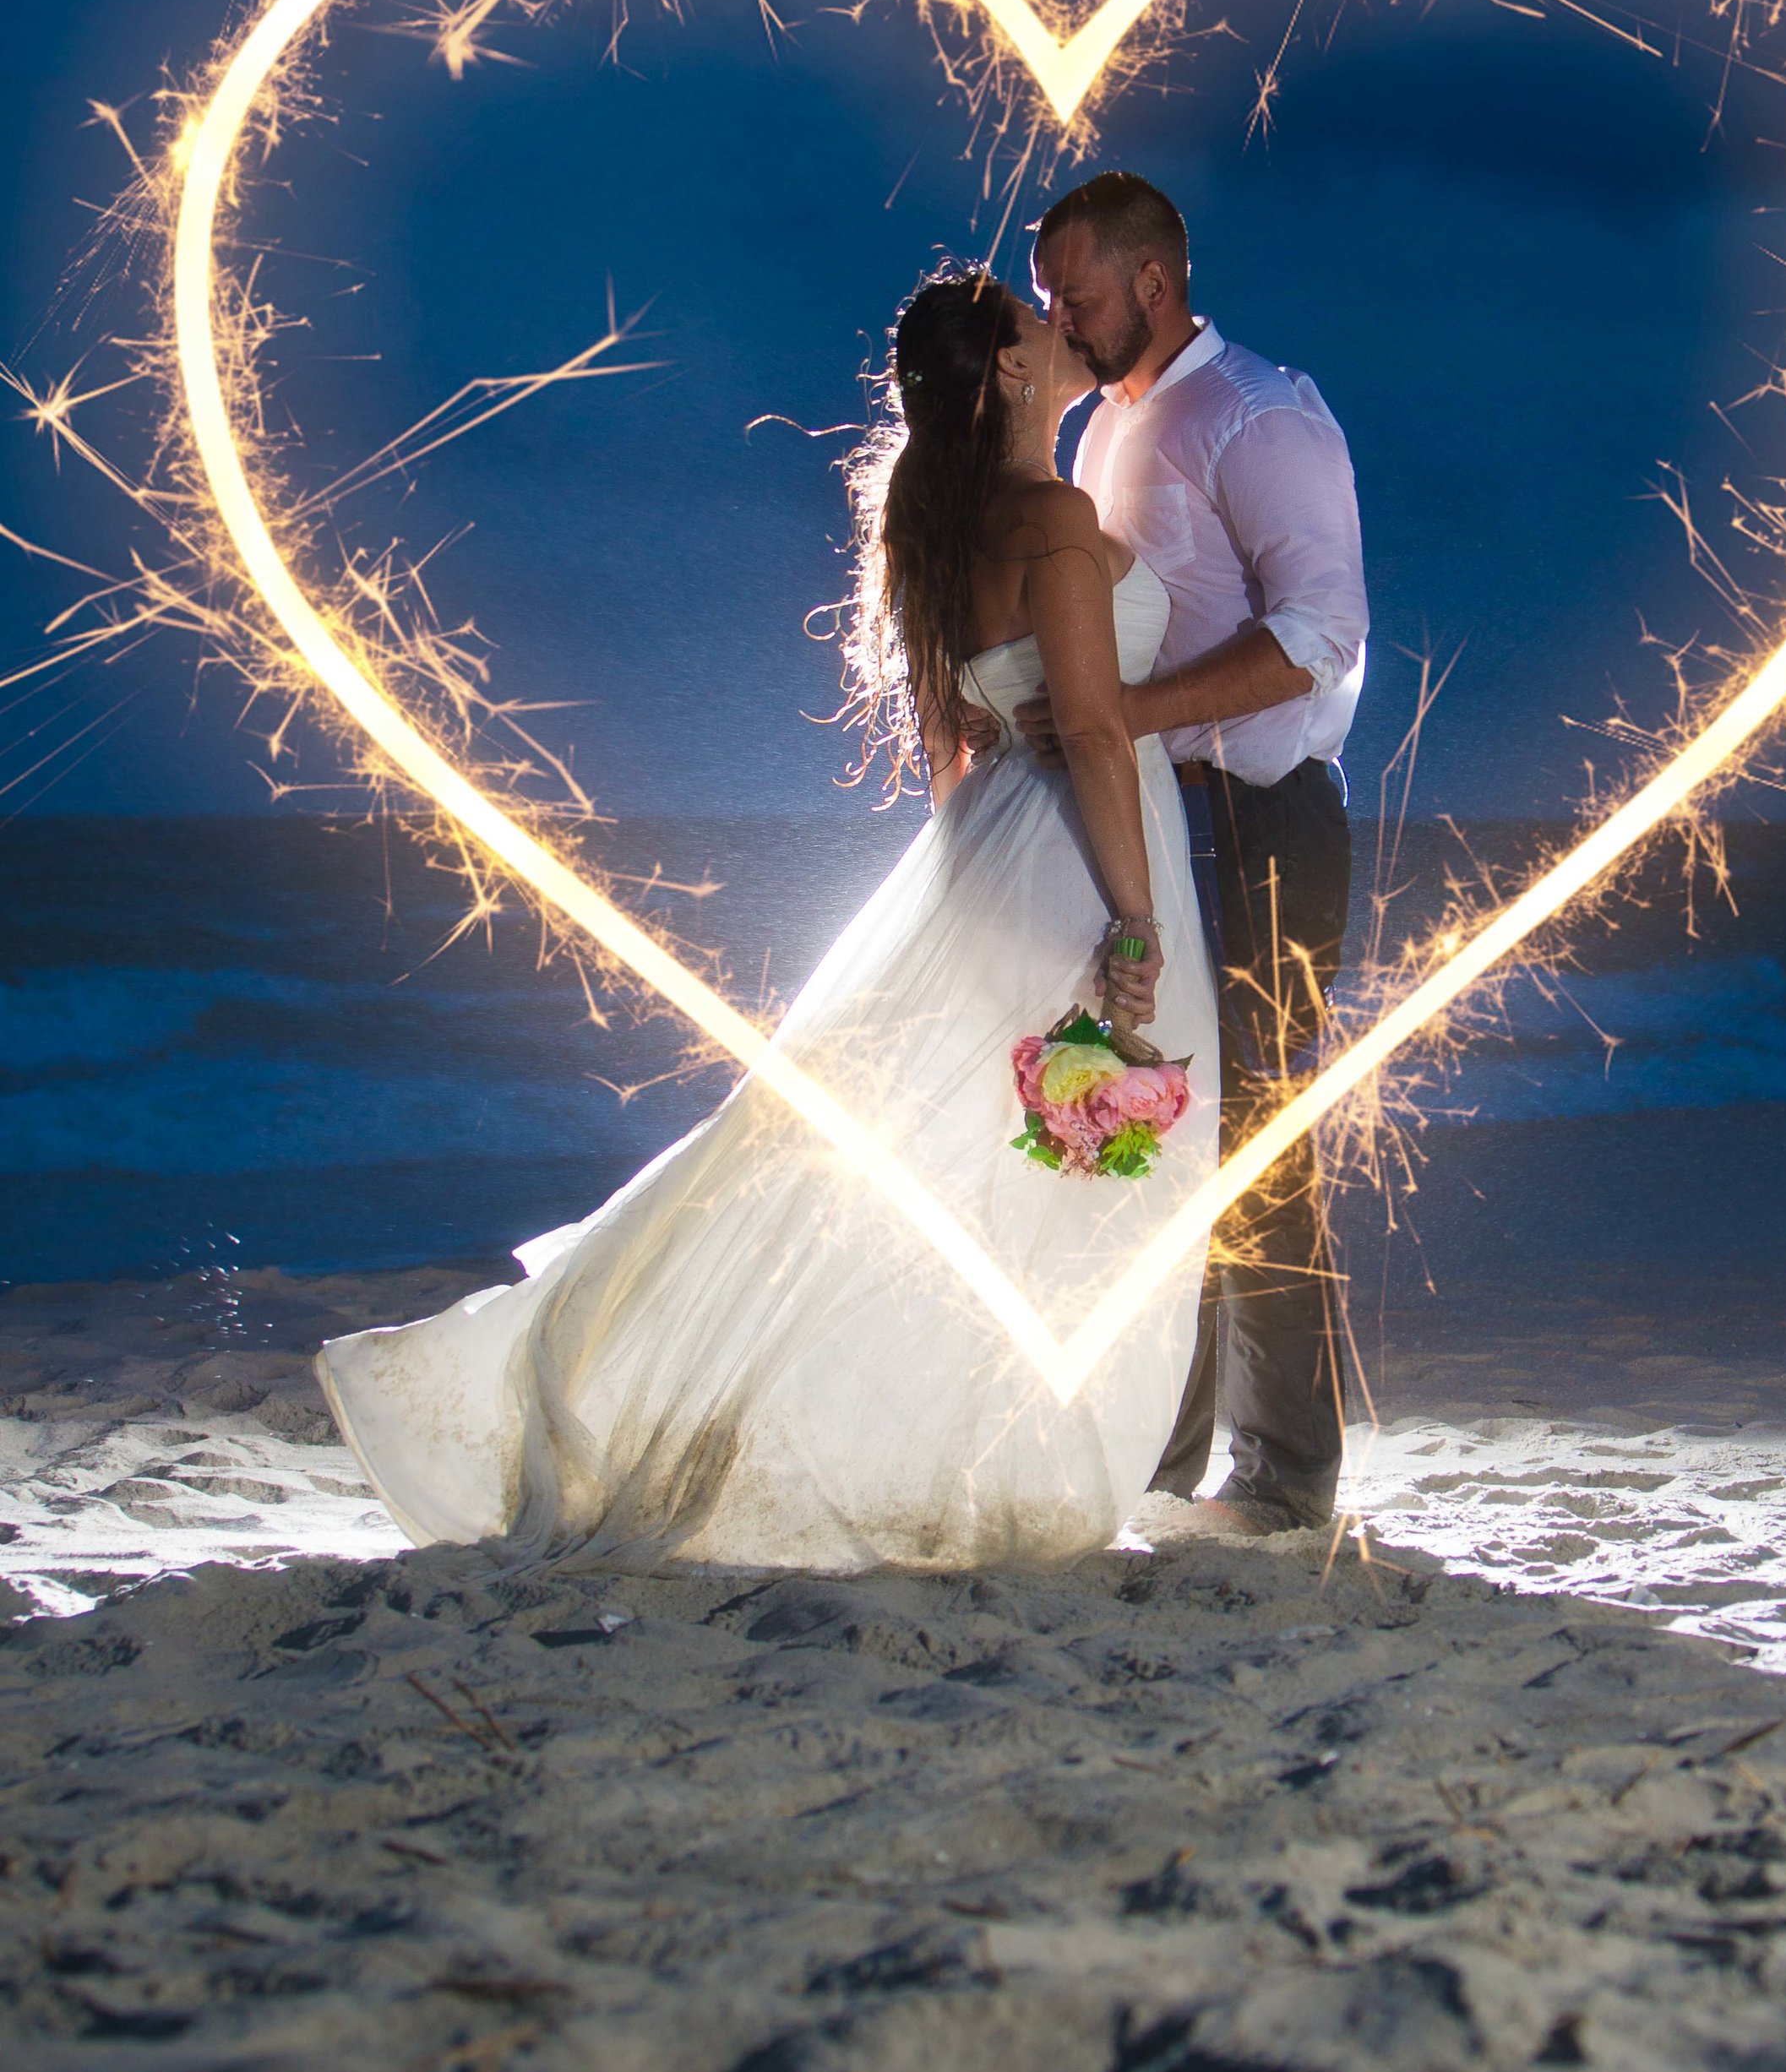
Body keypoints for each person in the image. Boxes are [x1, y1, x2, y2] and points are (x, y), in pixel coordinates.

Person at [316, 270, 1218, 1573]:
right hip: (1086, 852)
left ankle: (977, 1438)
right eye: (1034, 322)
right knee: (1068, 1158)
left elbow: (953, 753)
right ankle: (1007, 1453)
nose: (1056, 322)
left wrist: (965, 886)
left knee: (993, 1152)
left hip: (995, 854)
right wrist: (1132, 924)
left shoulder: (944, 525)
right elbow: (1085, 726)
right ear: (1013, 374)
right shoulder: (1053, 515)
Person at [1027, 171, 1368, 1536]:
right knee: (1152, 1142)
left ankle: (1288, 1471)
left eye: (1080, 291)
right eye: (1051, 293)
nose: (1063, 314)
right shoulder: (1107, 427)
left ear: (1153, 281)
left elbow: (1318, 635)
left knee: (1259, 1151)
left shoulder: (1261, 415)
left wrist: (1123, 716)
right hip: (1161, 832)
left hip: (1266, 826)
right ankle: (1158, 1458)